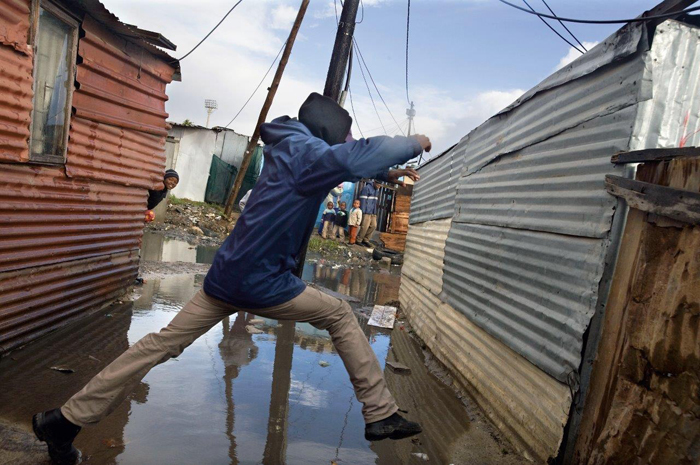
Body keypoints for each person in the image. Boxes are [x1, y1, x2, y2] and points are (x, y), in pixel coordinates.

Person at [32, 92, 429, 465]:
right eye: (344, 134)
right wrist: (415, 141)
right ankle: (380, 413)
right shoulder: (310, 156)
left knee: (158, 345)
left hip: (226, 276)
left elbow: (343, 162)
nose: (348, 140)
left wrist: (388, 172)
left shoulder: (287, 150)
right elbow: (353, 155)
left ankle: (63, 421)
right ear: (328, 132)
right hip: (262, 282)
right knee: (340, 314)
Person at [356, 180, 381, 246]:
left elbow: (375, 203)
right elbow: (363, 201)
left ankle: (366, 239)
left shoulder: (376, 190)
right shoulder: (366, 188)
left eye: (380, 185)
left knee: (373, 226)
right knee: (365, 226)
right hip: (366, 211)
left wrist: (374, 211)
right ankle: (359, 240)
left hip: (372, 212)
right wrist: (363, 211)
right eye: (378, 185)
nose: (379, 186)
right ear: (375, 183)